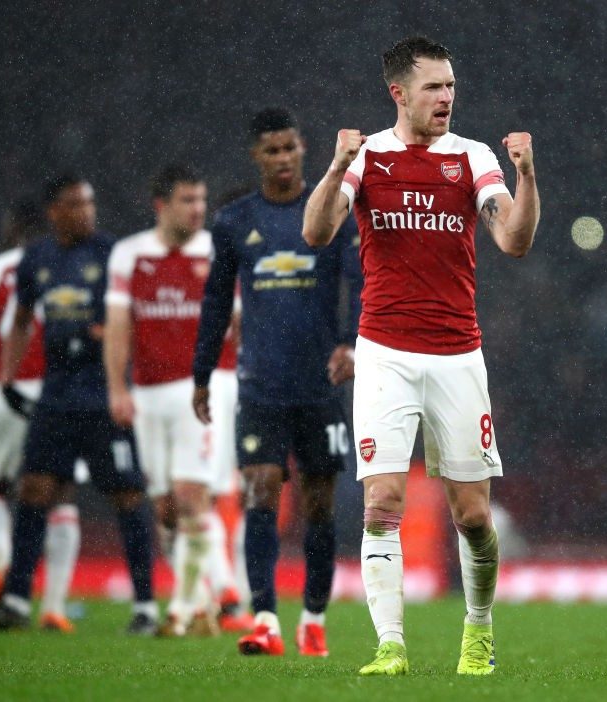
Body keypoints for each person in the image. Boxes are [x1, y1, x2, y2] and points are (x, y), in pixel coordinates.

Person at [302, 36, 540, 676]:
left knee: (472, 516)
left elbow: (513, 240)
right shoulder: (368, 156)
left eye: (452, 87)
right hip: (382, 352)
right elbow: (317, 232)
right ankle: (390, 647)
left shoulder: (473, 158)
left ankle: (479, 631)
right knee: (382, 502)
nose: (447, 98)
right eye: (434, 86)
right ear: (398, 92)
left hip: (458, 354)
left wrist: (527, 175)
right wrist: (333, 167)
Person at [193, 108, 361, 657]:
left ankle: (313, 619)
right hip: (261, 383)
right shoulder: (234, 221)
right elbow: (216, 301)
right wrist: (200, 373)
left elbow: (362, 284)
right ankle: (264, 618)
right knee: (259, 491)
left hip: (319, 384)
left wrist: (352, 342)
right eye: (272, 151)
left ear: (303, 148)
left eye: (290, 148)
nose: (283, 159)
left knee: (318, 505)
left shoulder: (334, 210)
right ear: (256, 157)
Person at [0, 175, 158, 634]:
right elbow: (19, 321)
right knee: (34, 490)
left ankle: (146, 607)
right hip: (56, 394)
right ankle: (16, 601)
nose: (86, 212)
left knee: (127, 494)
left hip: (101, 391)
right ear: (54, 211)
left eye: (90, 203)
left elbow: (133, 315)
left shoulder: (111, 254)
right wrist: (10, 377)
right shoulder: (36, 259)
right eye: (75, 205)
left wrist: (114, 341)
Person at [104, 164, 252, 636]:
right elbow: (119, 326)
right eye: (187, 201)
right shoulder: (129, 255)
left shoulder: (219, 250)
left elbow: (243, 322)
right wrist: (117, 387)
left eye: (201, 201)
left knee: (193, 495)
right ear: (161, 205)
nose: (198, 210)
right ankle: (206, 599)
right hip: (148, 393)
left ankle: (191, 607)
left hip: (205, 389)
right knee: (166, 508)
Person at [0, 199, 81, 632]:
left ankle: (8, 569)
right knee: (61, 496)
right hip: (56, 389)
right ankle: (54, 606)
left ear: (11, 229)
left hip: (2, 387)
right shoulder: (64, 266)